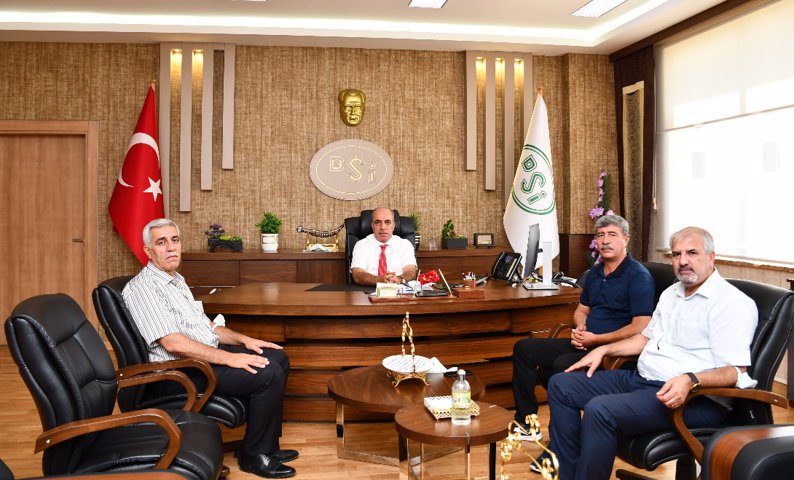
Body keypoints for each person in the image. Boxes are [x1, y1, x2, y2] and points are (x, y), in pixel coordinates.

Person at [546, 226, 758, 480]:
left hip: (691, 397)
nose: (683, 261)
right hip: (642, 380)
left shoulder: (731, 303)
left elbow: (735, 372)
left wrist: (690, 379)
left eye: (692, 253)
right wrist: (604, 349)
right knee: (561, 385)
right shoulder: (671, 293)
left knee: (599, 410)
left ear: (711, 257)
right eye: (676, 254)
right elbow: (644, 339)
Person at [122, 218, 298, 479]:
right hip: (178, 373)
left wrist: (244, 341)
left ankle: (266, 447)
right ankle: (255, 456)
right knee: (268, 373)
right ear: (148, 251)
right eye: (161, 242)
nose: (171, 247)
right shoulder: (144, 288)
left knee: (277, 357)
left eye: (175, 240)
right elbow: (172, 343)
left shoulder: (175, 280)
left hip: (201, 360)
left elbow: (208, 327)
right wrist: (229, 358)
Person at [511, 214, 655, 441]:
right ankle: (527, 423)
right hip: (585, 342)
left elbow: (641, 326)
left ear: (626, 240)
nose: (605, 240)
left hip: (610, 352)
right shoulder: (595, 273)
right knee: (524, 349)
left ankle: (565, 438)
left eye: (612, 235)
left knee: (559, 366)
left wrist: (596, 339)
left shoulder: (638, 276)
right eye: (600, 235)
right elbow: (581, 310)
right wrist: (580, 328)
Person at [350, 207, 418, 286]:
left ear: (394, 225)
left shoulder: (405, 244)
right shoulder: (361, 245)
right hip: (370, 290)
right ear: (372, 225)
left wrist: (399, 279)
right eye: (377, 222)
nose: (382, 227)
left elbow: (411, 271)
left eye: (387, 222)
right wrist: (380, 280)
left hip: (398, 289)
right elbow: (357, 274)